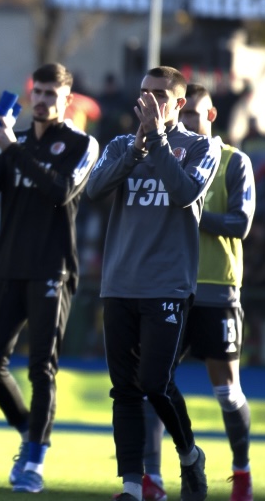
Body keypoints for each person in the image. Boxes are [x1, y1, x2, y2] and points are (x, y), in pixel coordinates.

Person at [0, 63, 99, 493]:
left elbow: (60, 191)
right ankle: (26, 429)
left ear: (66, 100)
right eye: (36, 92)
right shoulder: (14, 140)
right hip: (7, 266)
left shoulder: (81, 144)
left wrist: (11, 149)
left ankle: (36, 458)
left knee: (42, 367)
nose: (40, 101)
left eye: (49, 94)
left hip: (51, 269)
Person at [86, 66, 221, 501]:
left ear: (179, 104)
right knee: (124, 388)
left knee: (155, 382)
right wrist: (138, 147)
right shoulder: (124, 144)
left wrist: (159, 140)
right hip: (120, 281)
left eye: (160, 95)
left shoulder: (202, 147)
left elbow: (184, 193)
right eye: (144, 93)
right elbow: (93, 189)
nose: (149, 101)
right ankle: (132, 485)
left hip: (167, 285)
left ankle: (189, 456)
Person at [141, 84, 255, 501]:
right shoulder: (165, 159)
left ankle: (241, 471)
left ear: (209, 116)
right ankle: (152, 479)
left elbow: (240, 224)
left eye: (193, 115)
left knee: (226, 390)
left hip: (218, 288)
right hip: (171, 285)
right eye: (181, 116)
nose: (186, 123)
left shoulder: (233, 162)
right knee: (154, 382)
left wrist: (191, 206)